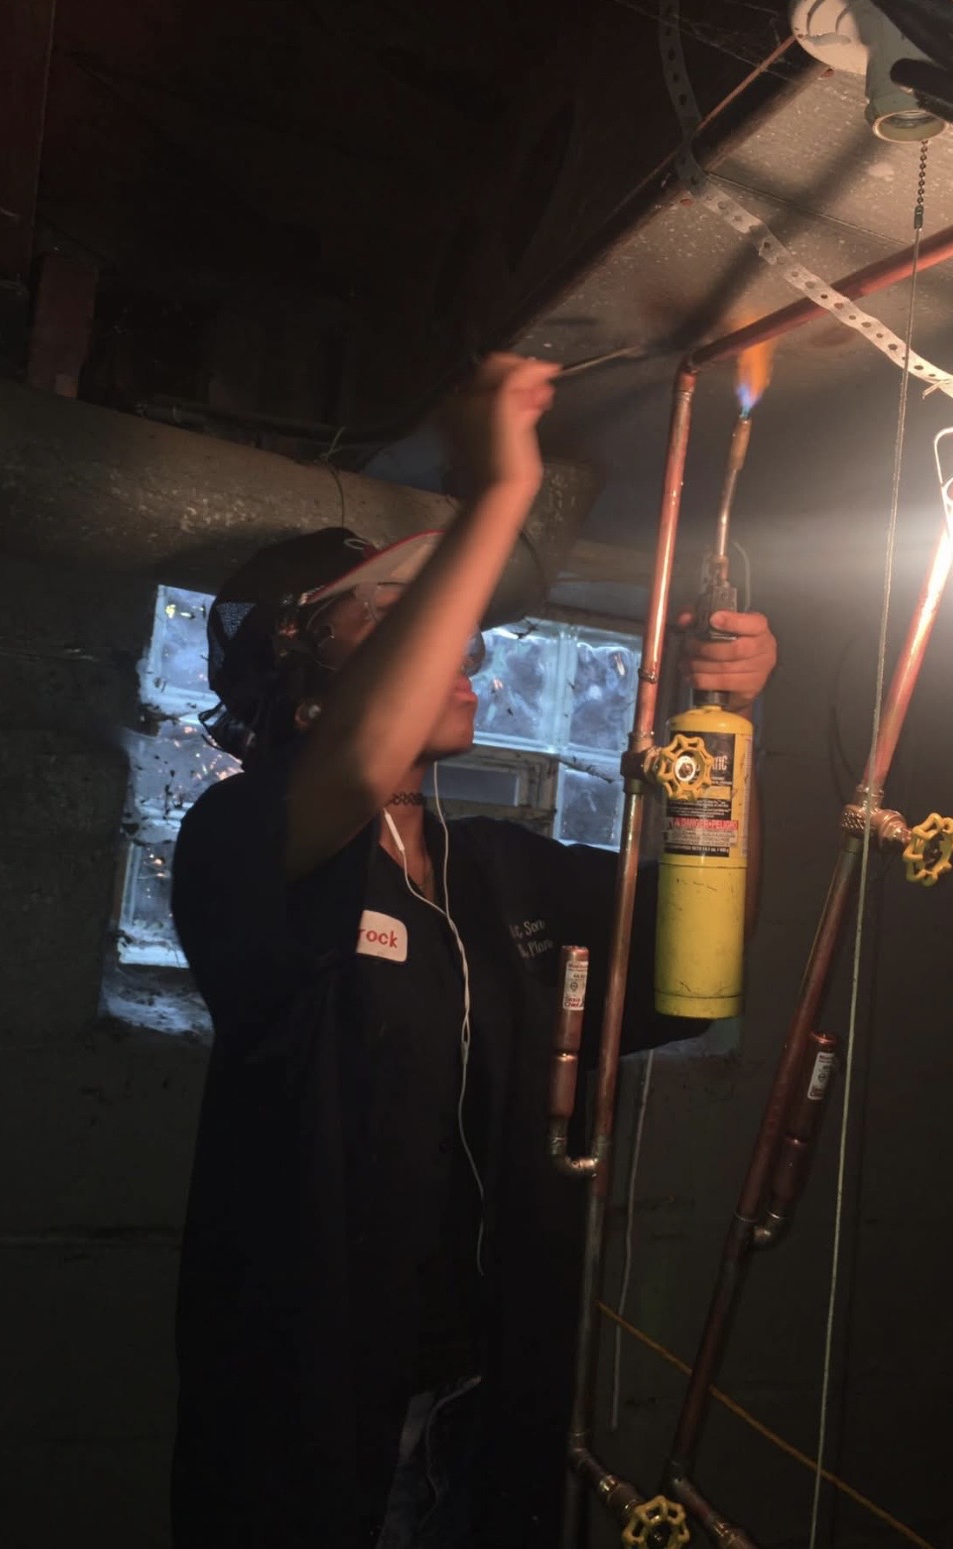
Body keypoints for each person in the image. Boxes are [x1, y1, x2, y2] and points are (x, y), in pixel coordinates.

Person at [169, 354, 778, 1548]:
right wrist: (496, 494)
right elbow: (344, 772)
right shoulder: (239, 835)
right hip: (313, 1412)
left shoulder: (495, 870)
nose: (465, 653)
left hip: (490, 1403)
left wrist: (728, 727)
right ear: (302, 682)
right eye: (389, 617)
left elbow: (690, 961)